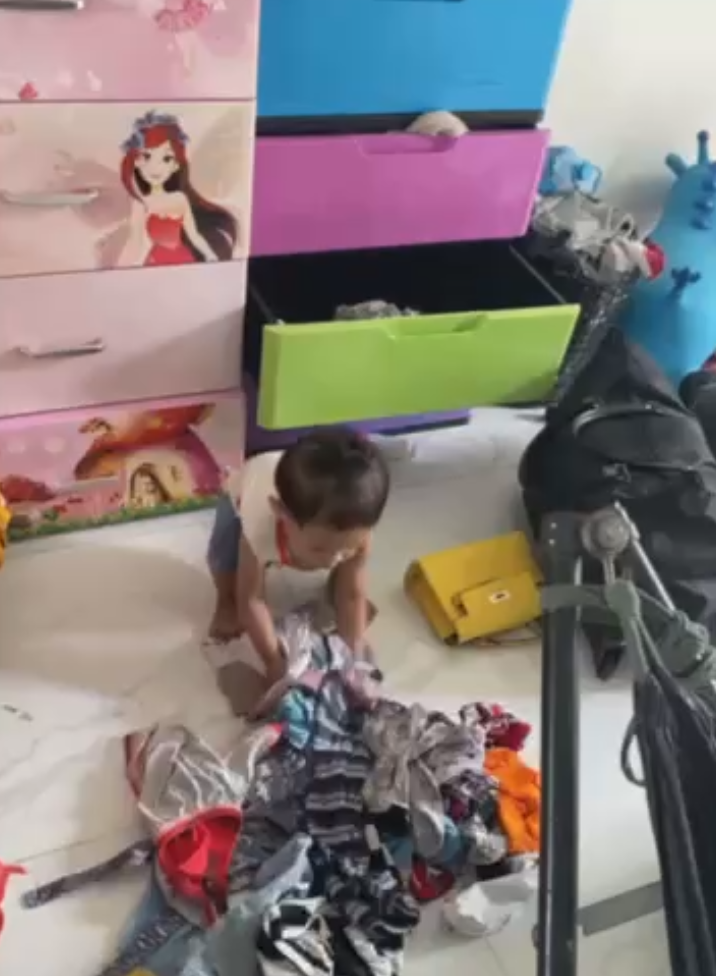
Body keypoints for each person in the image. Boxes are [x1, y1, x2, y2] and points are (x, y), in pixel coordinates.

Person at [207, 428, 390, 685]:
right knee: (224, 560)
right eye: (320, 549)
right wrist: (273, 660)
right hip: (242, 488)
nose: (330, 559)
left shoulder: (357, 531)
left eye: (346, 547)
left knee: (349, 585)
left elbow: (353, 595)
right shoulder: (260, 528)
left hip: (295, 491)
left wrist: (354, 653)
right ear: (282, 515)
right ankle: (225, 600)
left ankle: (336, 590)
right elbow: (252, 600)